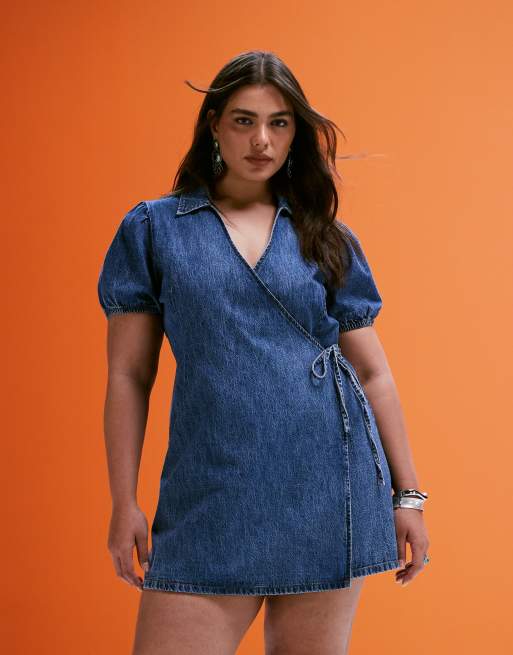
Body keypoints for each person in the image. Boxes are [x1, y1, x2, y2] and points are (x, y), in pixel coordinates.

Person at [97, 50, 430, 655]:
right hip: (210, 491)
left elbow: (373, 372)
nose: (262, 141)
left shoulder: (324, 235)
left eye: (279, 123)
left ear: (295, 133)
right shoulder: (154, 229)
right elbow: (128, 375)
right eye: (244, 121)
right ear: (214, 126)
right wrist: (124, 503)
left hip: (328, 486)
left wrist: (408, 496)